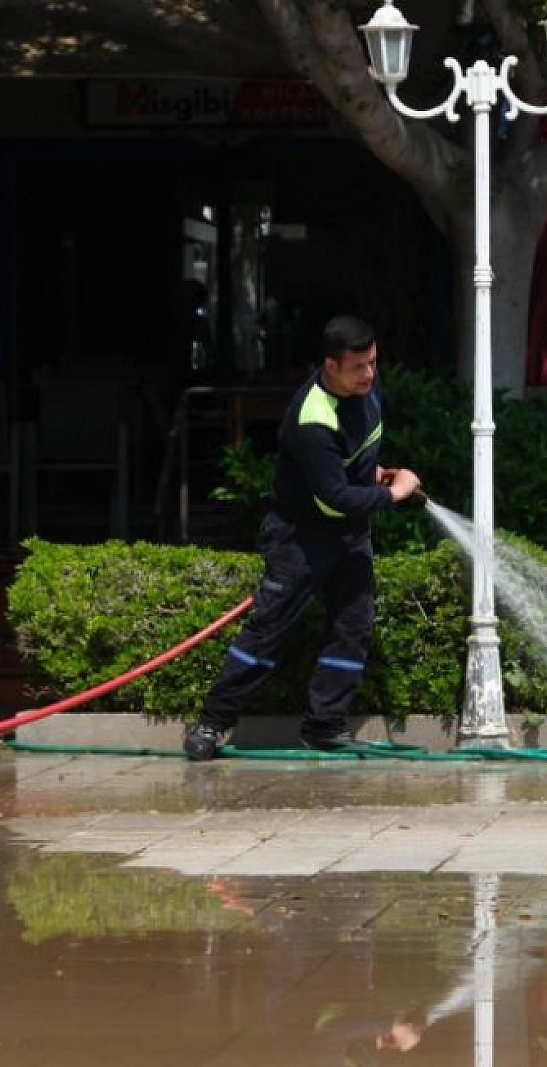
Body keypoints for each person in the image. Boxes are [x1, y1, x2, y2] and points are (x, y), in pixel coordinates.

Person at [184, 315, 422, 761]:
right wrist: (393, 493)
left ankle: (324, 726)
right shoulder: (311, 417)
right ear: (331, 365)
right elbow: (332, 499)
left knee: (353, 627)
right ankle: (212, 724)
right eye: (358, 367)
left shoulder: (365, 392)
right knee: (268, 632)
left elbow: (351, 460)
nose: (369, 374)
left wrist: (370, 473)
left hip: (349, 536)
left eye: (373, 363)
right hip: (300, 539)